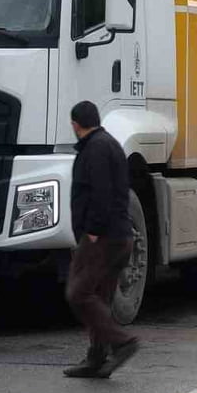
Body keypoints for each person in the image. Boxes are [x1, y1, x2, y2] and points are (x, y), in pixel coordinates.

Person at [63, 101, 139, 378]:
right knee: (100, 298)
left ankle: (122, 342)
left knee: (78, 293)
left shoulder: (94, 149)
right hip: (120, 236)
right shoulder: (109, 143)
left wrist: (92, 230)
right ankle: (96, 358)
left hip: (103, 239)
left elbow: (101, 192)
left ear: (75, 124)